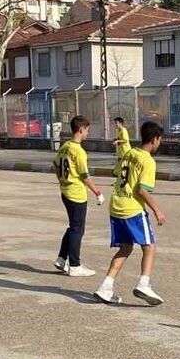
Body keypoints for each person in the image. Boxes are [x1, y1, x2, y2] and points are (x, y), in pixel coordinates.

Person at [95, 121, 166, 306]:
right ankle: (144, 283)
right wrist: (156, 209)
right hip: (132, 208)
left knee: (125, 248)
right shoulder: (148, 160)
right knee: (149, 246)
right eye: (160, 140)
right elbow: (142, 190)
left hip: (116, 205)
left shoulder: (130, 153)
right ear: (155, 139)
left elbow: (117, 173)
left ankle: (105, 286)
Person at [54, 116, 105, 276]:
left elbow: (55, 165)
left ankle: (61, 258)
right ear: (81, 129)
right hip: (76, 194)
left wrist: (62, 182)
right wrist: (97, 192)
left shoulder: (65, 146)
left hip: (65, 191)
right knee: (78, 229)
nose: (88, 133)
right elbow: (85, 176)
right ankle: (75, 265)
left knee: (72, 227)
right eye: (87, 130)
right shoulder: (79, 151)